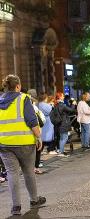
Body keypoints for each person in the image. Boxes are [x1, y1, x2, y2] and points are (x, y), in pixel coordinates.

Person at [0, 75, 46, 216]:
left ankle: (16, 207)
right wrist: (38, 137)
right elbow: (32, 121)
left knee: (12, 173)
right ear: (18, 86)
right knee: (28, 172)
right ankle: (34, 200)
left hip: (5, 144)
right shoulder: (23, 98)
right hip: (25, 143)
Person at [27, 89, 46, 174]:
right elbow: (41, 120)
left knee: (32, 151)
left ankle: (32, 167)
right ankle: (35, 167)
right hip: (35, 130)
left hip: (28, 132)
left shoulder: (27, 105)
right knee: (37, 150)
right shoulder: (34, 107)